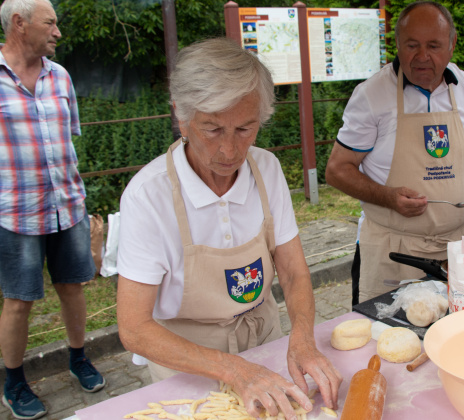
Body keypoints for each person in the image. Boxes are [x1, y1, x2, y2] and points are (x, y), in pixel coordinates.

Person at [115, 38, 342, 420]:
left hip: (264, 342)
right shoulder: (148, 197)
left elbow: (292, 269)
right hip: (188, 365)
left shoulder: (266, 170)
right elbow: (134, 328)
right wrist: (236, 370)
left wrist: (301, 335)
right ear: (181, 116)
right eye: (213, 129)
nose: (230, 151)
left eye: (245, 129)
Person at [324, 1, 464, 305]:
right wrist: (388, 197)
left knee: (459, 338)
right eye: (412, 45)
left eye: (433, 45)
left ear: (452, 44)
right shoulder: (372, 95)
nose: (422, 57)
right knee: (393, 341)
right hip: (394, 251)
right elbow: (337, 170)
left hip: (456, 247)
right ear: (397, 44)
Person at [0, 0, 106, 418]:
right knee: (18, 301)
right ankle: (14, 382)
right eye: (51, 23)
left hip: (67, 206)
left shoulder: (60, 77)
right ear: (20, 24)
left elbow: (69, 141)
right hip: (15, 213)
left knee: (73, 288)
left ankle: (78, 358)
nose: (58, 32)